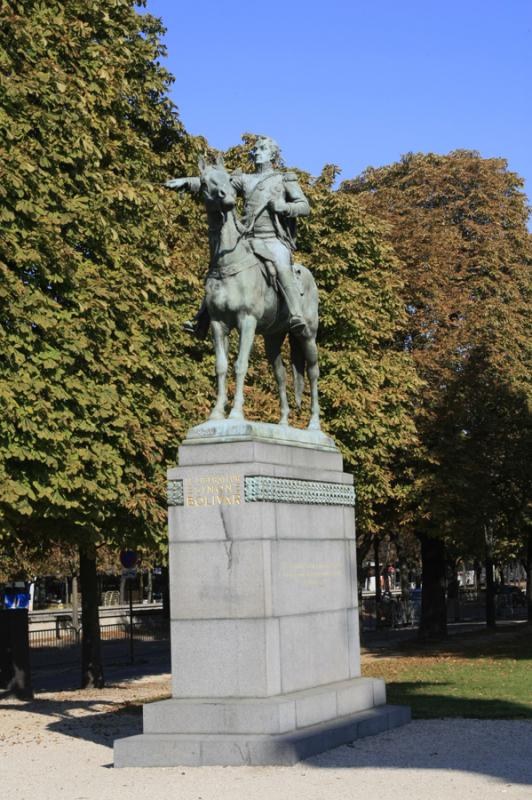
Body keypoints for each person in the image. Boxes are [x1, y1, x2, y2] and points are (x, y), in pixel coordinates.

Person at [166, 135, 310, 338]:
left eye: (262, 149)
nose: (257, 153)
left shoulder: (283, 179)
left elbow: (304, 206)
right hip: (246, 237)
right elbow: (218, 185)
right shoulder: (245, 179)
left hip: (272, 239)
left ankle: (296, 314)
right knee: (219, 267)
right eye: (255, 150)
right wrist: (188, 182)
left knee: (281, 264)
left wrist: (283, 207)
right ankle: (203, 318)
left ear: (272, 154)